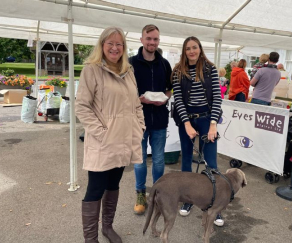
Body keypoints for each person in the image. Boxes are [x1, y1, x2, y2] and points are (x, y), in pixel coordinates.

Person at [76, 27, 145, 243]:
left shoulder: (129, 71)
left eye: (119, 44)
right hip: (103, 141)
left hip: (125, 140)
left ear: (124, 48)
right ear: (102, 45)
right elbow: (82, 107)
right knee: (95, 189)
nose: (115, 48)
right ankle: (90, 239)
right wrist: (101, 133)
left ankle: (107, 227)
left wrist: (139, 127)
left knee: (113, 184)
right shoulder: (92, 70)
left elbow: (136, 104)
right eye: (110, 43)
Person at [172, 36, 224, 226]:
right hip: (187, 119)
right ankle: (188, 198)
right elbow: (178, 100)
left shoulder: (210, 69)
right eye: (188, 48)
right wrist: (186, 124)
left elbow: (217, 98)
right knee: (186, 160)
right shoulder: (178, 71)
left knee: (211, 163)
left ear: (200, 49)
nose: (192, 51)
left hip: (207, 118)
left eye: (195, 47)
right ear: (184, 51)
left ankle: (215, 205)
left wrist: (213, 124)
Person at [129, 24, 173, 215]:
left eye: (155, 39)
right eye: (148, 39)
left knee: (159, 161)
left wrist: (165, 97)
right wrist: (138, 99)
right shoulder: (131, 63)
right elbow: (125, 91)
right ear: (141, 40)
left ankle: (157, 193)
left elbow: (170, 88)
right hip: (138, 120)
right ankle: (140, 194)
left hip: (160, 119)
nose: (152, 42)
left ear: (158, 41)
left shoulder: (164, 64)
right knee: (139, 161)